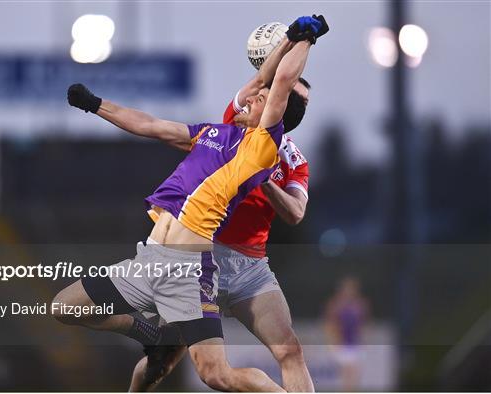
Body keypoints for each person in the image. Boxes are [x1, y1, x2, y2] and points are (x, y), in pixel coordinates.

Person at [55, 15, 327, 392]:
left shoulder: (260, 149)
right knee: (76, 315)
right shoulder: (216, 130)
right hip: (151, 259)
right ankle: (146, 332)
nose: (250, 95)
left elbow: (278, 84)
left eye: (261, 98)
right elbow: (151, 125)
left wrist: (305, 40)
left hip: (202, 267)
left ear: (272, 113)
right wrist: (96, 104)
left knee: (221, 373)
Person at [128, 30, 324, 392]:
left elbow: (296, 212)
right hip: (202, 260)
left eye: (306, 100)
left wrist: (263, 179)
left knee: (290, 350)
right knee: (159, 363)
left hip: (250, 268)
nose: (300, 101)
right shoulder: (237, 121)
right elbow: (264, 80)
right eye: (295, 90)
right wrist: (295, 41)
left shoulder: (293, 161)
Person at [325, 277, 370, 391]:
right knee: (346, 375)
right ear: (342, 289)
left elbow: (363, 324)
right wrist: (332, 342)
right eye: (347, 288)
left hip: (354, 344)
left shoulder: (360, 305)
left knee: (354, 376)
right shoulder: (335, 304)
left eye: (352, 289)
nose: (349, 291)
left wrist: (364, 340)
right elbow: (330, 324)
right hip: (341, 343)